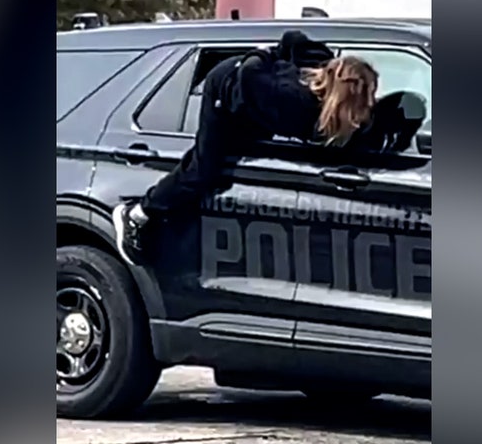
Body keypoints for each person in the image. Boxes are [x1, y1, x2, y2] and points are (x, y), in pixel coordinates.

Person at [112, 31, 379, 267]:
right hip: (227, 87)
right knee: (203, 170)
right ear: (348, 97)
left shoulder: (322, 65)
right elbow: (251, 72)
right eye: (367, 97)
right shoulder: (291, 101)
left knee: (242, 146)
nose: (371, 102)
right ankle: (138, 214)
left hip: (258, 98)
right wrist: (262, 53)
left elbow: (294, 38)